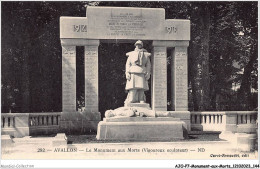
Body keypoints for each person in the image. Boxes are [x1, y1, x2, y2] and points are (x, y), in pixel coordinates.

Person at [124, 40, 151, 105]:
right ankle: (131, 99)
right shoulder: (131, 54)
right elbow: (128, 64)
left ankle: (141, 99)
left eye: (139, 45)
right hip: (133, 72)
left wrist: (148, 72)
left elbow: (148, 65)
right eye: (137, 44)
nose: (138, 46)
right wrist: (127, 72)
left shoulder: (146, 55)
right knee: (133, 87)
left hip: (142, 71)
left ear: (141, 46)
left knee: (141, 87)